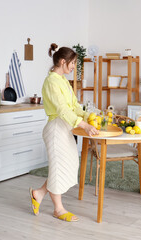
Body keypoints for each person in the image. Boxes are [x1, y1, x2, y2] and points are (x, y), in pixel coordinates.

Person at [29, 44, 98, 222]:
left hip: (65, 129)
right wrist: (84, 125)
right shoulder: (51, 81)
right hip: (55, 130)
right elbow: (61, 109)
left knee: (68, 165)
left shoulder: (63, 81)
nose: (74, 66)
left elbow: (73, 106)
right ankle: (58, 209)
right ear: (62, 61)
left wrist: (89, 115)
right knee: (58, 168)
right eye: (73, 63)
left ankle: (38, 193)